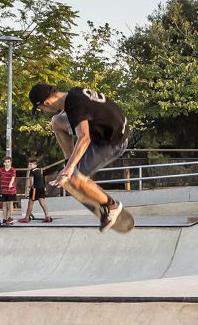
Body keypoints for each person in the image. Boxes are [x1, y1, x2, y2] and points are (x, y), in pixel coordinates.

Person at [28, 83, 133, 233]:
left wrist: (69, 170)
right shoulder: (73, 94)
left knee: (74, 179)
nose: (44, 112)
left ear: (47, 103)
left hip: (112, 142)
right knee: (56, 122)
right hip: (107, 129)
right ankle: (71, 161)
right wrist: (70, 163)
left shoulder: (75, 106)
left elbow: (84, 137)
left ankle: (111, 206)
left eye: (41, 109)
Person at [22, 157, 53, 222]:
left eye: (30, 164)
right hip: (41, 188)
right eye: (29, 164)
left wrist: (30, 187)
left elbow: (31, 181)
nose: (29, 165)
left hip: (35, 188)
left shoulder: (32, 171)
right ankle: (47, 216)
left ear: (35, 165)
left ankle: (27, 218)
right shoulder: (39, 171)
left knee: (30, 202)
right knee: (42, 202)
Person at [0, 156, 19, 227]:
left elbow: (13, 177)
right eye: (5, 162)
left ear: (10, 162)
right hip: (3, 189)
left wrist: (10, 184)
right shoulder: (1, 169)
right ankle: (4, 218)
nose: (7, 163)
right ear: (3, 163)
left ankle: (10, 217)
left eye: (8, 162)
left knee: (10, 203)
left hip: (11, 190)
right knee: (3, 204)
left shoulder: (13, 170)